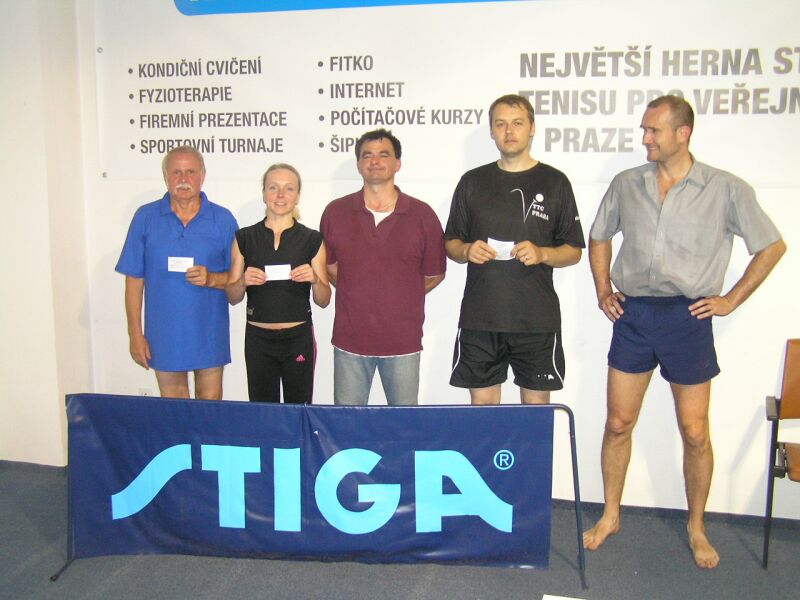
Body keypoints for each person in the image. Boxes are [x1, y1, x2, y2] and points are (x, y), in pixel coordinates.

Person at [583, 95, 786, 569]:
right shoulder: (627, 183)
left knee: (695, 432)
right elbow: (599, 236)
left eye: (653, 130)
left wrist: (731, 299)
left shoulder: (725, 188)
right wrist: (602, 289)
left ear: (683, 133)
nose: (645, 138)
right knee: (618, 423)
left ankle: (696, 526)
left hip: (688, 319)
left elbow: (772, 246)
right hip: (633, 316)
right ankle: (611, 515)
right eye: (644, 129)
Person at [444, 94, 584, 405]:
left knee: (535, 411)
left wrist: (543, 254)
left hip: (536, 320)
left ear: (532, 128)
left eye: (517, 123)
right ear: (491, 131)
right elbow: (450, 242)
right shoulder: (472, 181)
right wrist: (467, 251)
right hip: (481, 318)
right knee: (483, 411)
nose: (509, 131)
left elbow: (574, 250)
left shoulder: (555, 182)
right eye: (501, 124)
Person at [320, 128, 446, 406]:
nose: (375, 161)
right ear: (358, 164)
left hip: (403, 343)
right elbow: (328, 266)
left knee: (404, 424)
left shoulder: (422, 215)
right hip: (350, 341)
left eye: (383, 155)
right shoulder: (335, 212)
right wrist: (358, 290)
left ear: (397, 163)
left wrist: (402, 295)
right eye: (367, 155)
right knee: (346, 424)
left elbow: (435, 273)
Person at [116, 145, 238, 400]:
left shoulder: (223, 219)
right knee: (173, 407)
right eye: (176, 172)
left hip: (209, 331)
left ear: (202, 175)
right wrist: (135, 334)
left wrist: (212, 279)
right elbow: (134, 279)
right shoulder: (146, 217)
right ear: (165, 176)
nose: (184, 179)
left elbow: (239, 279)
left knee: (210, 406)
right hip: (164, 332)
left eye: (191, 172)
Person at [226, 163, 330, 403]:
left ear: (297, 196)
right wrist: (242, 282)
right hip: (258, 339)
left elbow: (324, 300)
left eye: (289, 188)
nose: (281, 195)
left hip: (298, 338)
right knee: (263, 412)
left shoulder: (312, 239)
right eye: (273, 187)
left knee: (299, 410)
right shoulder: (244, 237)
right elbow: (232, 297)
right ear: (264, 193)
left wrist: (315, 280)